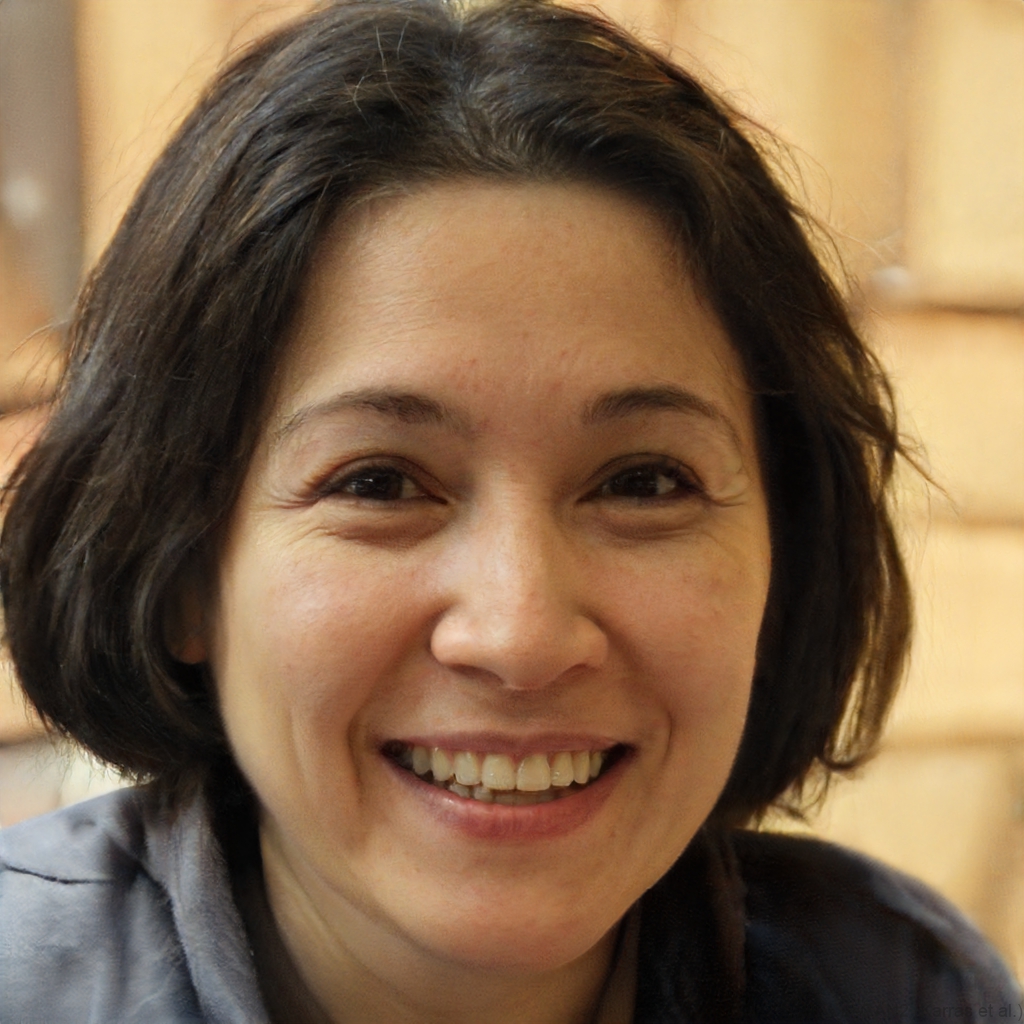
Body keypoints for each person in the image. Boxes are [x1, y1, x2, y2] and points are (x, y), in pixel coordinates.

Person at [0, 1, 1019, 1021]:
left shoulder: (903, 992)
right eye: (378, 482)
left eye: (643, 482)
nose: (521, 635)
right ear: (179, 570)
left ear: (782, 561)